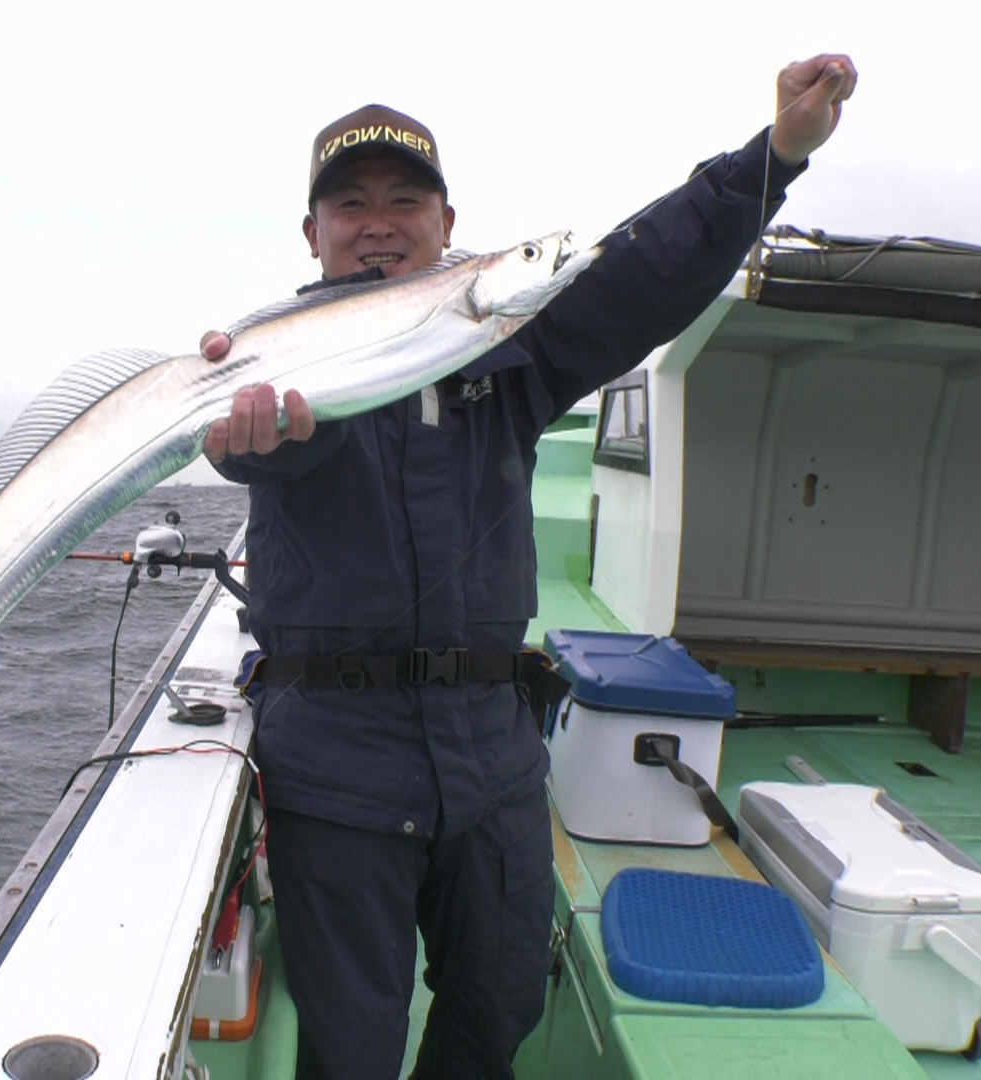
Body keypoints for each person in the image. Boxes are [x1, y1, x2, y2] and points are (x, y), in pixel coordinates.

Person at [201, 56, 857, 1080]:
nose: (379, 221)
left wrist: (772, 158)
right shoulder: (274, 357)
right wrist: (251, 437)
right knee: (352, 1047)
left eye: (404, 200)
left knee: (497, 1013)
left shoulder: (515, 357)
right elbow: (289, 451)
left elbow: (649, 273)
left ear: (446, 221)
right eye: (351, 204)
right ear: (313, 235)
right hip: (338, 768)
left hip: (494, 763)